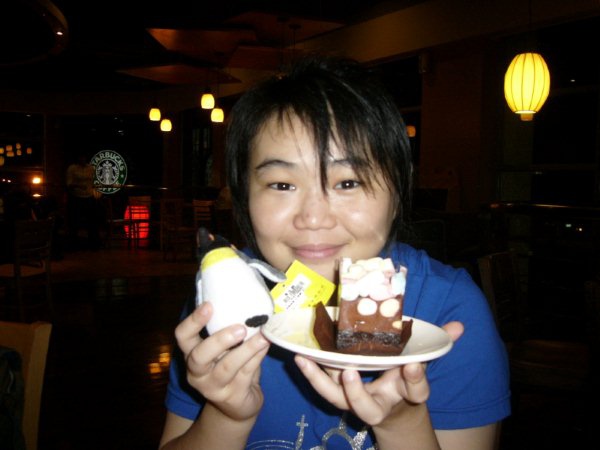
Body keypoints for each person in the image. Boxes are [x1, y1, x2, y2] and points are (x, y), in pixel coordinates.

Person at [159, 56, 510, 450]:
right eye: (282, 185)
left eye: (347, 182)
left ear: (398, 191)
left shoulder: (448, 310)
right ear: (243, 196)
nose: (313, 218)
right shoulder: (224, 300)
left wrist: (402, 424)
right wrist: (225, 416)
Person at [65, 152, 101, 250]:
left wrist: (96, 192)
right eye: (81, 157)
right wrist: (79, 186)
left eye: (84, 157)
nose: (83, 159)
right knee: (74, 222)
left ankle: (93, 244)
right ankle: (73, 244)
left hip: (89, 197)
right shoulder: (72, 168)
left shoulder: (91, 168)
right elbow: (69, 184)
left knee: (92, 221)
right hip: (76, 197)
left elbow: (93, 182)